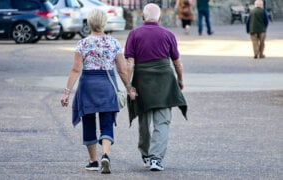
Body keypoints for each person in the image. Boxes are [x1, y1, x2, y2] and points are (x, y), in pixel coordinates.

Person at [60, 9, 131, 174]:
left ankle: (93, 161)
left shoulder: (83, 44)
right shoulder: (114, 43)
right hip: (107, 85)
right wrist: (129, 87)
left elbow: (75, 70)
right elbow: (121, 69)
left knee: (89, 121)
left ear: (89, 23)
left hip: (88, 87)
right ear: (104, 23)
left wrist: (66, 92)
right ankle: (106, 155)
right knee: (107, 122)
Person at [124, 3, 188, 171]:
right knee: (162, 121)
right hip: (164, 82)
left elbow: (130, 63)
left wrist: (128, 85)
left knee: (144, 120)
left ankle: (146, 155)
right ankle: (156, 159)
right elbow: (177, 63)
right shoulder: (168, 34)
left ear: (142, 17)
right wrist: (180, 80)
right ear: (160, 17)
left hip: (142, 80)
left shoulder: (134, 34)